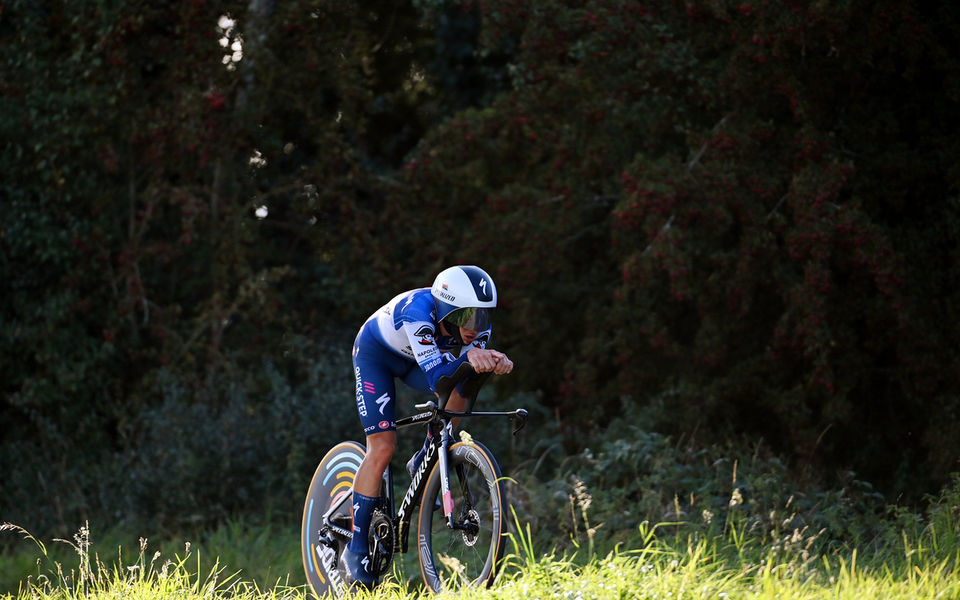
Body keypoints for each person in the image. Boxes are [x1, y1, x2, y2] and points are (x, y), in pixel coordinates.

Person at [341, 265, 514, 586]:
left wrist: (491, 362)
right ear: (446, 309)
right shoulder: (418, 313)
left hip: (416, 361)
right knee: (383, 447)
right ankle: (356, 546)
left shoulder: (477, 329)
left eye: (482, 316)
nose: (475, 327)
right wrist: (470, 360)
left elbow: (462, 383)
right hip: (376, 355)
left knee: (464, 384)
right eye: (466, 316)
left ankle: (425, 457)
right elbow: (437, 380)